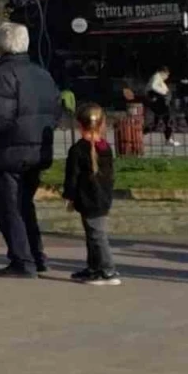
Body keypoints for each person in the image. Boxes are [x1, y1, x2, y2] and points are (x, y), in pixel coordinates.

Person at [0, 22, 60, 279]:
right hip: (36, 148)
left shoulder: (2, 75)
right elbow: (55, 111)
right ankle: (36, 255)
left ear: (1, 45)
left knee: (9, 207)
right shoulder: (41, 73)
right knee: (24, 204)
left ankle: (22, 259)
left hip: (9, 150)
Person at [63, 104, 121, 286]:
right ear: (102, 124)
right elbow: (111, 176)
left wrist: (69, 196)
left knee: (97, 235)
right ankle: (94, 267)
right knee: (93, 234)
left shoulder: (77, 149)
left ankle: (108, 269)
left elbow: (72, 177)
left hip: (87, 198)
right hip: (103, 197)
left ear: (80, 125)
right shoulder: (106, 147)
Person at [145, 66, 176, 146]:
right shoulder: (157, 77)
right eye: (167, 75)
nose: (167, 77)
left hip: (159, 102)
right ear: (163, 72)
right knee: (168, 119)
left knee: (158, 121)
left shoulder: (158, 78)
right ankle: (168, 140)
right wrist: (164, 92)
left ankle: (143, 132)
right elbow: (153, 87)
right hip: (160, 102)